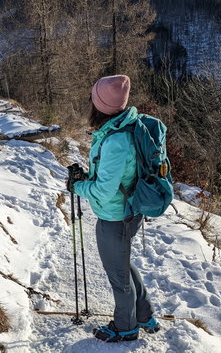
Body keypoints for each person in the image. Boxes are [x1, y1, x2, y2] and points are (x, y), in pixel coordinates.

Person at [67, 74, 160, 342]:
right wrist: (87, 177)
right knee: (122, 265)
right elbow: (111, 178)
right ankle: (144, 315)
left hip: (115, 216)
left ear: (100, 106)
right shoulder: (123, 127)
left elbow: (104, 190)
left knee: (118, 275)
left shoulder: (116, 140)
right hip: (126, 211)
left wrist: (78, 187)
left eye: (92, 99)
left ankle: (125, 327)